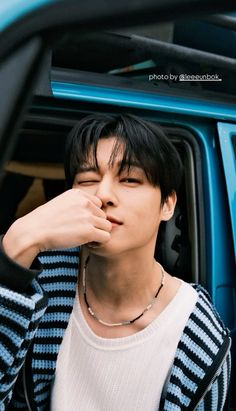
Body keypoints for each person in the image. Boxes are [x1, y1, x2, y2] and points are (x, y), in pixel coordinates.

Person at [0, 114, 231, 411]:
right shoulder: (36, 284)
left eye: (130, 179)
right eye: (88, 179)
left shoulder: (201, 337)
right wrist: (19, 244)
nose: (103, 194)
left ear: (168, 204)